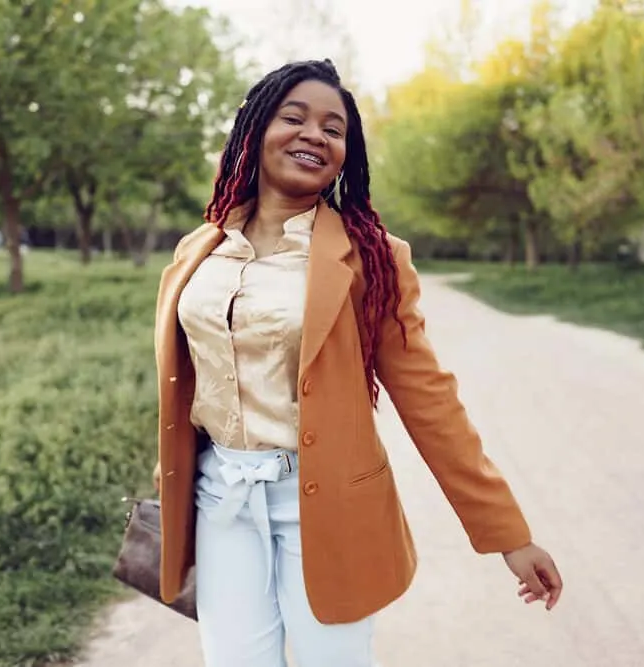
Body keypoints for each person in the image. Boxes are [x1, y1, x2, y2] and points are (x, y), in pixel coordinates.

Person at [151, 59, 562, 667]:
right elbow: (189, 385)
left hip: (322, 501)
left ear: (347, 152)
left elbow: (430, 400)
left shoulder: (370, 259)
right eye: (294, 117)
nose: (314, 134)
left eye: (333, 128)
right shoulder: (200, 249)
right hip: (221, 500)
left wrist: (507, 533)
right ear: (255, 127)